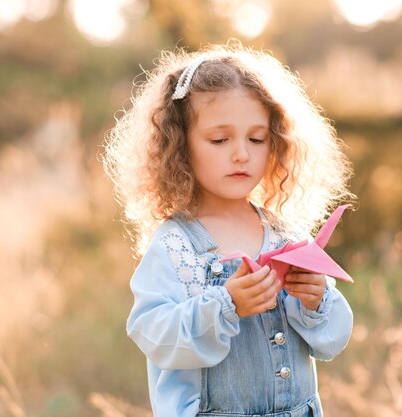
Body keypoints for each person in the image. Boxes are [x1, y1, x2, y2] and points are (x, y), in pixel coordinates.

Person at [103, 42, 355, 417]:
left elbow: (331, 341)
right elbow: (154, 333)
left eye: (256, 138)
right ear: (179, 147)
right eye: (220, 140)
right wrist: (225, 306)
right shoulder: (176, 246)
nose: (241, 153)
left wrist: (317, 300)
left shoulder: (286, 233)